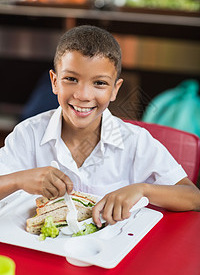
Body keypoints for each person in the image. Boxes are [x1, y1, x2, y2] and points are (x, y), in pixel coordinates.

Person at [0, 25, 199, 228]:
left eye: (100, 83)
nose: (83, 95)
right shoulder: (28, 134)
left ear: (115, 89)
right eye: (71, 79)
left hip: (112, 253)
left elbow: (193, 197)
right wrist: (18, 179)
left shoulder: (135, 141)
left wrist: (143, 190)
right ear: (54, 82)